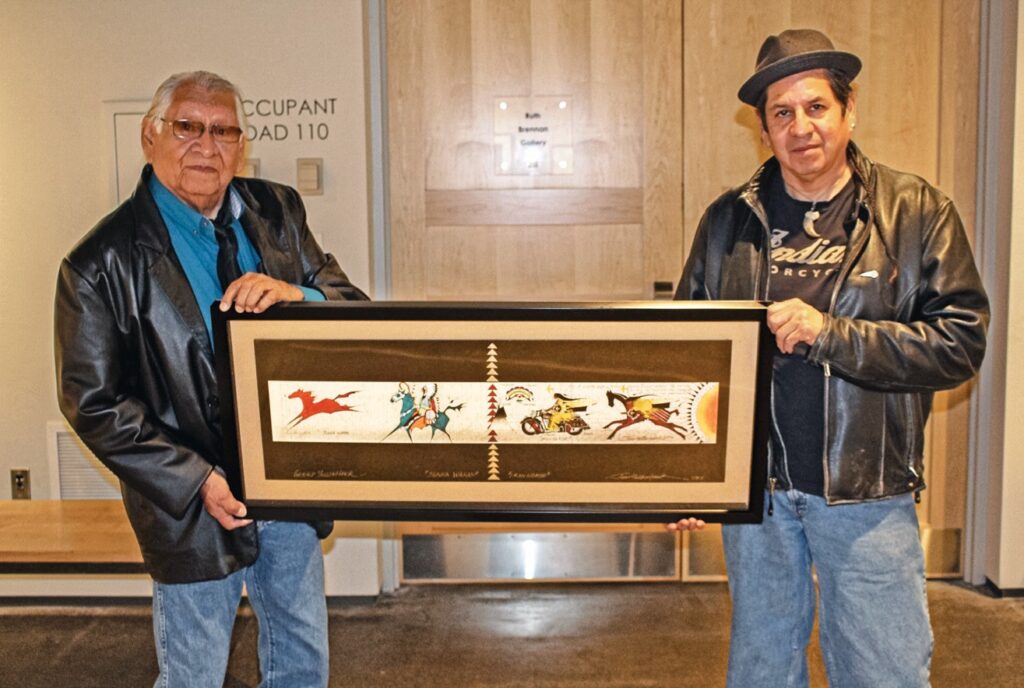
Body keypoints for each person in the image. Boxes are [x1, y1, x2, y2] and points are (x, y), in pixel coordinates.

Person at [670, 29, 989, 687]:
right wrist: (688, 472)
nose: (801, 127)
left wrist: (832, 334)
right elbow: (686, 358)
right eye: (781, 113)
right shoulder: (728, 221)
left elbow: (960, 342)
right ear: (763, 130)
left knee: (884, 674)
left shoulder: (916, 213)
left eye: (816, 107)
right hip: (757, 496)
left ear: (850, 113)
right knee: (762, 672)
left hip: (867, 495)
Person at [54, 70, 368, 687]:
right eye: (188, 127)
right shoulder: (99, 263)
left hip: (287, 486)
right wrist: (197, 480)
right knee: (193, 676)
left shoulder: (278, 211)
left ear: (242, 143)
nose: (207, 145)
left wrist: (297, 293)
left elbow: (349, 305)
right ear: (151, 137)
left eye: (223, 131)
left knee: (302, 667)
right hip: (194, 506)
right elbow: (92, 403)